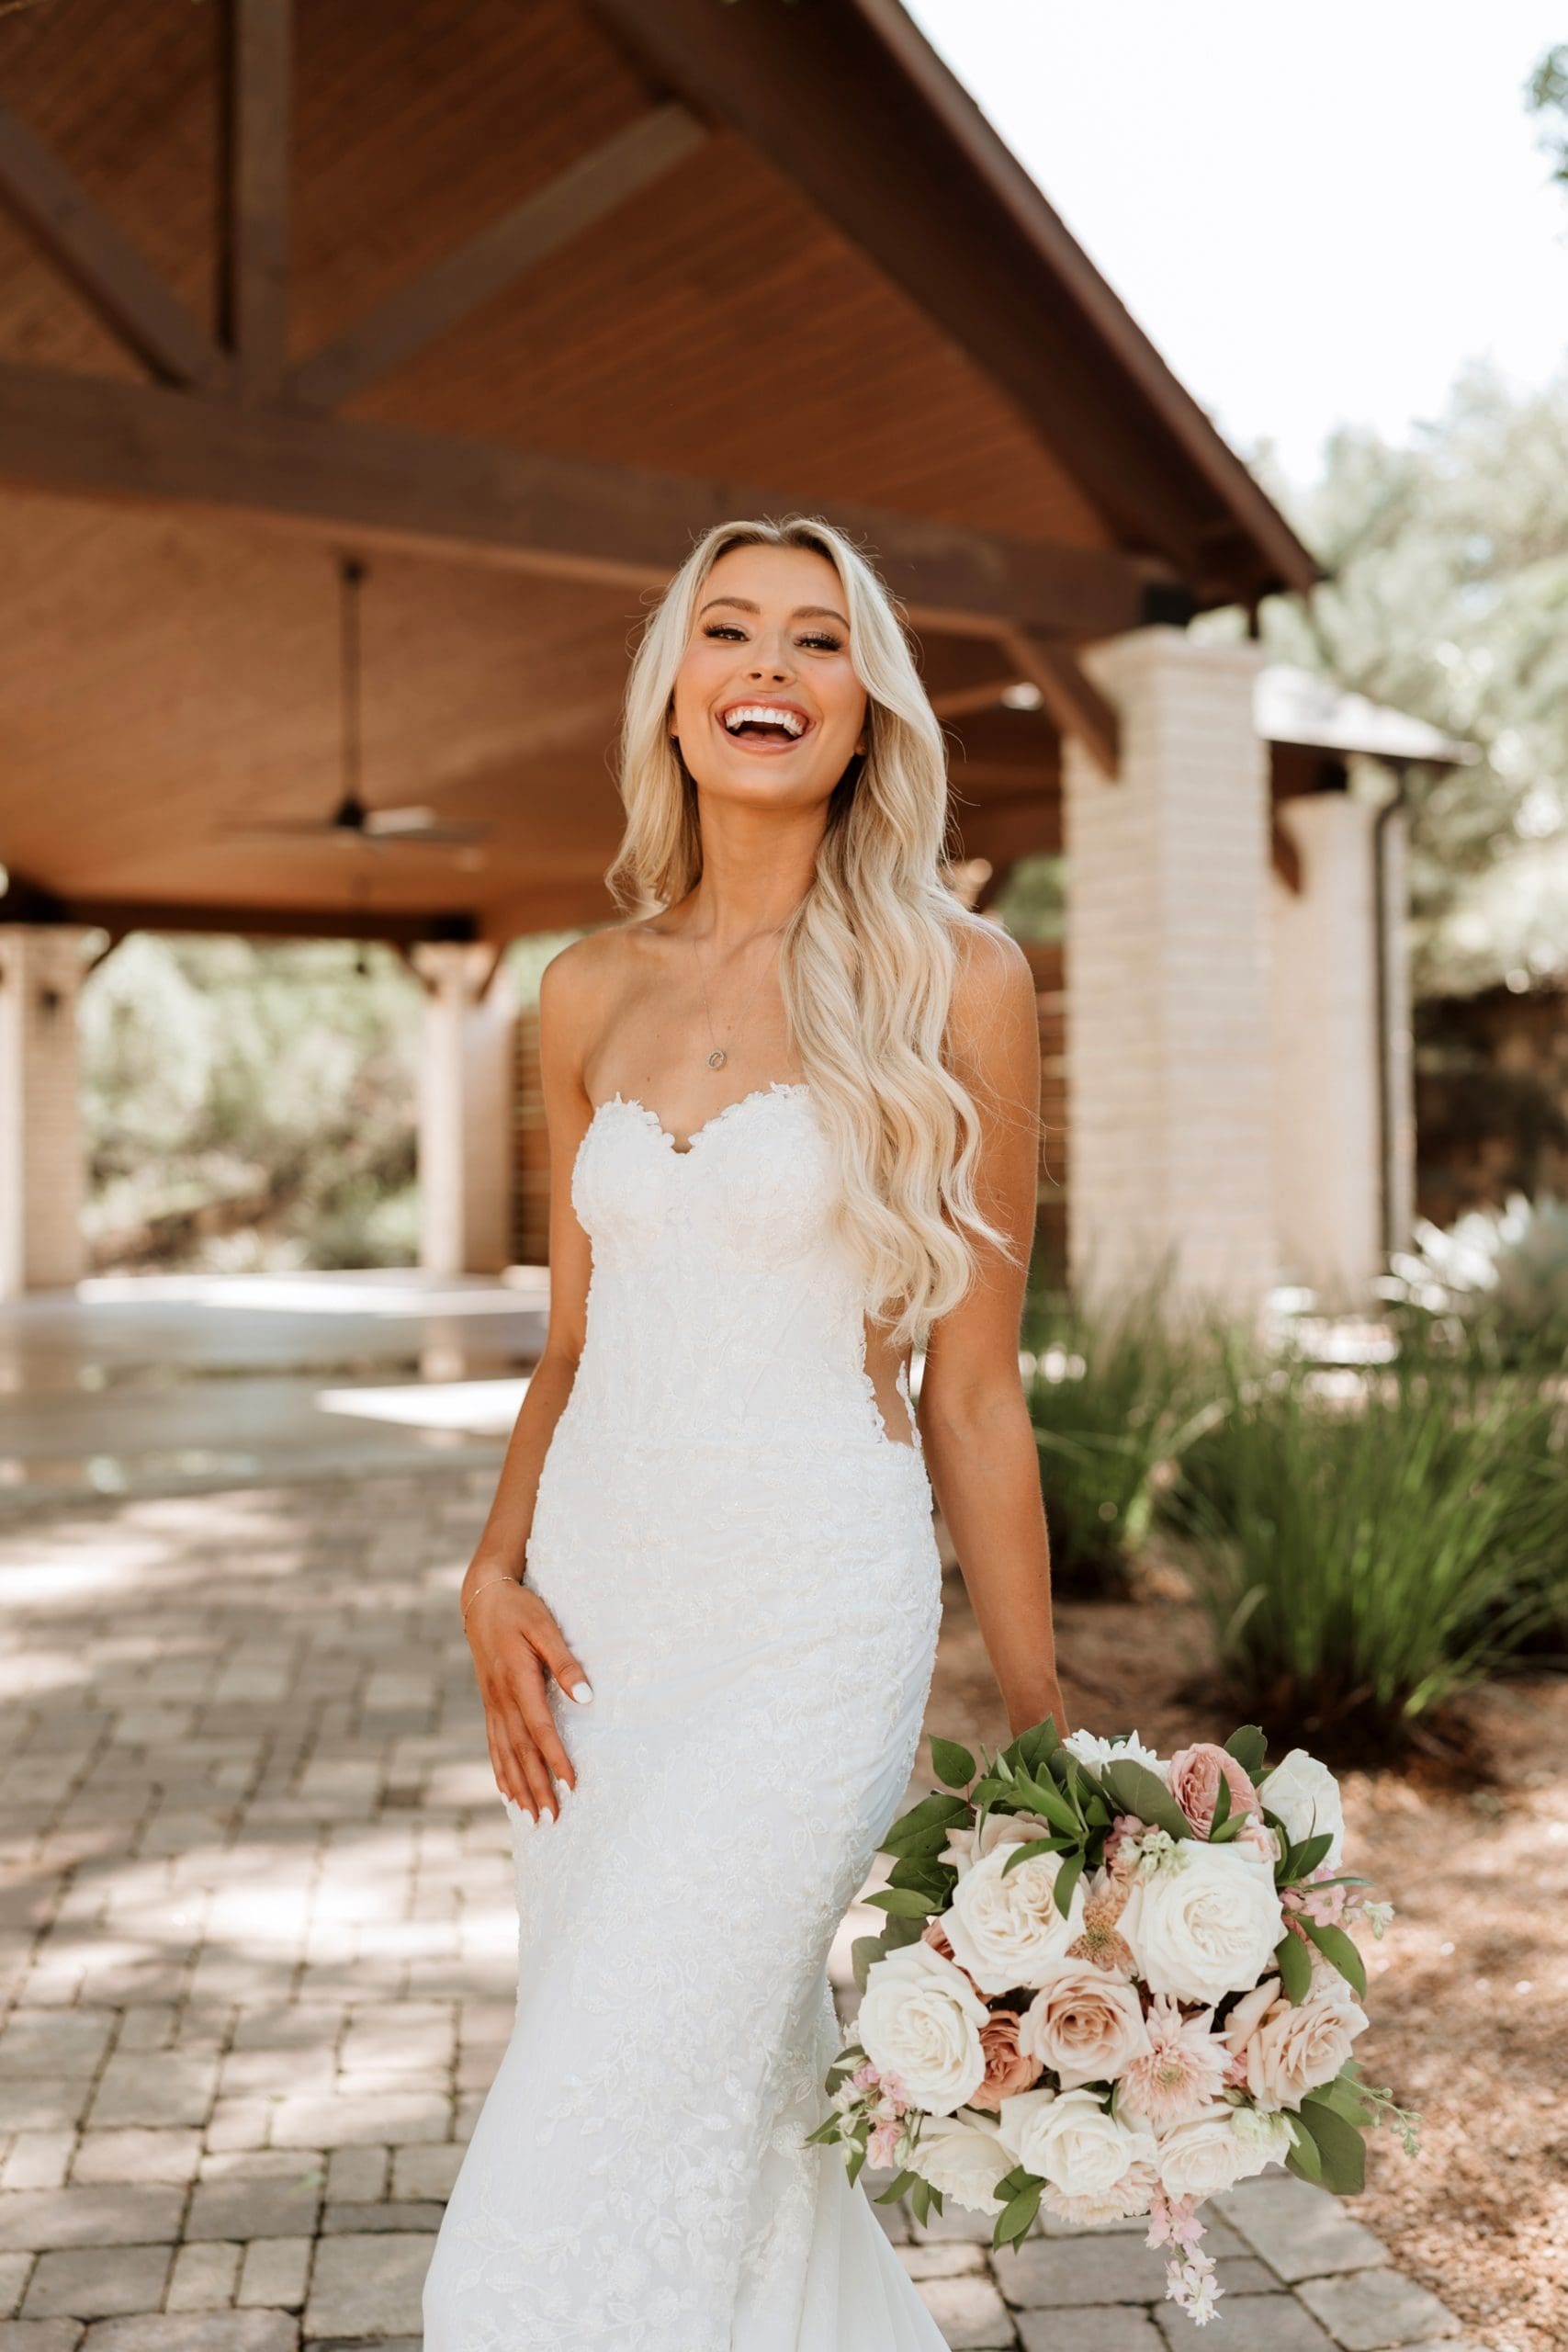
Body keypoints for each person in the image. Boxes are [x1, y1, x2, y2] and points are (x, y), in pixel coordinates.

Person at [422, 515, 1065, 2348]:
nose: (768, 667)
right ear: (676, 695)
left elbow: (974, 1389)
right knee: (730, 2136)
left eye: (815, 639)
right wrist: (486, 1566)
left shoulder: (963, 981)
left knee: (556, 2185)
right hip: (598, 1632)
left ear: (866, 713)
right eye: (728, 632)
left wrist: (1039, 1728)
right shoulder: (583, 985)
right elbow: (572, 1338)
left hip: (808, 1631)